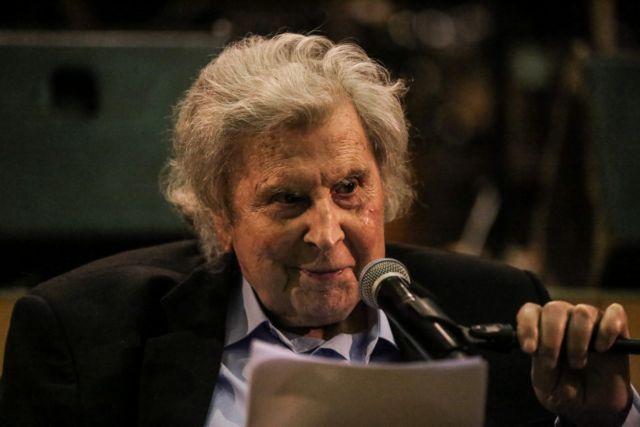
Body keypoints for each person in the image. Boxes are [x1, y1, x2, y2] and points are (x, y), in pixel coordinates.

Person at [0, 33, 636, 427]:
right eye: (287, 199)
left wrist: (604, 421)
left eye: (349, 188)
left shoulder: (496, 312)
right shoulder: (85, 337)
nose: (328, 234)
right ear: (220, 213)